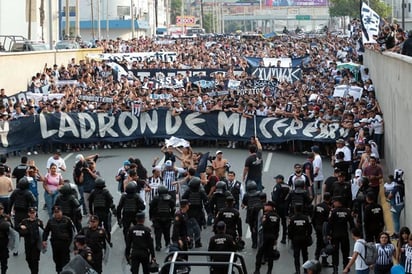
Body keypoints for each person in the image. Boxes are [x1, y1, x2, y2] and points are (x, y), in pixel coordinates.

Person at [42, 205, 75, 274]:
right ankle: (59, 272)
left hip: (65, 244)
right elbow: (46, 231)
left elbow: (72, 232)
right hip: (55, 244)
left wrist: (72, 244)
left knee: (65, 261)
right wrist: (44, 240)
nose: (57, 214)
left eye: (58, 212)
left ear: (61, 212)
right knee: (57, 260)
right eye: (55, 212)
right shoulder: (51, 221)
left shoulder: (67, 220)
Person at [328, 196, 355, 274]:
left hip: (335, 236)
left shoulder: (333, 212)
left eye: (334, 201)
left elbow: (329, 224)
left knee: (335, 253)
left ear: (338, 202)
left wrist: (328, 234)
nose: (333, 203)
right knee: (345, 253)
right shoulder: (347, 211)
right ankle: (345, 269)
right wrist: (354, 234)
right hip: (344, 235)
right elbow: (352, 224)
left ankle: (335, 270)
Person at [253, 201, 280, 274]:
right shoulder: (277, 216)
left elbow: (262, 226)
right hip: (272, 237)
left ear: (271, 207)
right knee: (270, 255)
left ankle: (257, 270)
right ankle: (269, 271)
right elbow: (277, 229)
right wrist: (276, 239)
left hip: (265, 237)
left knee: (260, 254)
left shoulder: (266, 216)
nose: (265, 207)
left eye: (267, 205)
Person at [181, 176, 208, 248]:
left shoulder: (188, 190)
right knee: (198, 227)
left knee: (189, 227)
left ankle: (190, 242)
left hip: (190, 211)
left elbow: (183, 198)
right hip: (198, 211)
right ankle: (197, 242)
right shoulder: (201, 191)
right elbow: (206, 200)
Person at [88, 177, 116, 242]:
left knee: (97, 227)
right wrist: (114, 210)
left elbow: (90, 203)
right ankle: (108, 240)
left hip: (97, 213)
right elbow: (111, 202)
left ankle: (98, 240)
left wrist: (91, 213)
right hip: (105, 212)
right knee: (107, 228)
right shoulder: (106, 192)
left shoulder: (93, 192)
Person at [18, 207, 44, 274]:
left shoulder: (39, 222)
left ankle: (34, 272)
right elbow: (19, 231)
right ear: (28, 213)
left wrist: (43, 242)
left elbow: (43, 232)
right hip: (28, 243)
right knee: (28, 259)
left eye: (34, 213)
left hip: (36, 244)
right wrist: (21, 228)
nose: (33, 214)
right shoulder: (24, 221)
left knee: (35, 260)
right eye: (31, 213)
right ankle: (33, 271)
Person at [149, 185, 175, 251]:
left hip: (157, 218)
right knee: (167, 232)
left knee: (158, 233)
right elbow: (173, 208)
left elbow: (151, 208)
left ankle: (158, 245)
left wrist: (151, 217)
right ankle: (168, 243)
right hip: (167, 218)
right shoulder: (170, 198)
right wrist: (172, 216)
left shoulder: (155, 198)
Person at [288, 203, 312, 274]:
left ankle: (297, 270)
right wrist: (308, 236)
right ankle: (305, 270)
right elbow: (310, 229)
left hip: (295, 239)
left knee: (296, 255)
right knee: (305, 255)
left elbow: (290, 230)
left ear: (295, 209)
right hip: (304, 238)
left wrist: (291, 238)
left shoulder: (292, 218)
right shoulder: (306, 218)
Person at [312, 192, 333, 267]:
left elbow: (313, 218)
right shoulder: (328, 208)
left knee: (319, 243)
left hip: (318, 228)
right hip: (324, 229)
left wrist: (315, 227)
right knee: (325, 245)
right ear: (330, 199)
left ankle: (316, 259)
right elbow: (329, 221)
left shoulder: (317, 206)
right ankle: (323, 261)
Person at [242, 181, 262, 249]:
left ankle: (254, 243)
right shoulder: (260, 193)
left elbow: (244, 203)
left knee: (252, 228)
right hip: (259, 213)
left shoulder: (246, 195)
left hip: (250, 214)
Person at [271, 174, 290, 244]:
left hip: (278, 207)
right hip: (285, 207)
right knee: (284, 223)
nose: (276, 180)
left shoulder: (277, 187)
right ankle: (284, 238)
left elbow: (275, 198)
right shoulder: (287, 186)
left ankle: (275, 237)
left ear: (280, 179)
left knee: (276, 222)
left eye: (277, 179)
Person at [0, 204, 12, 274]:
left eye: (1, 209)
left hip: (4, 241)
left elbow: (12, 229)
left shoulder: (6, 217)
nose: (0, 211)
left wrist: (7, 225)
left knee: (4, 261)